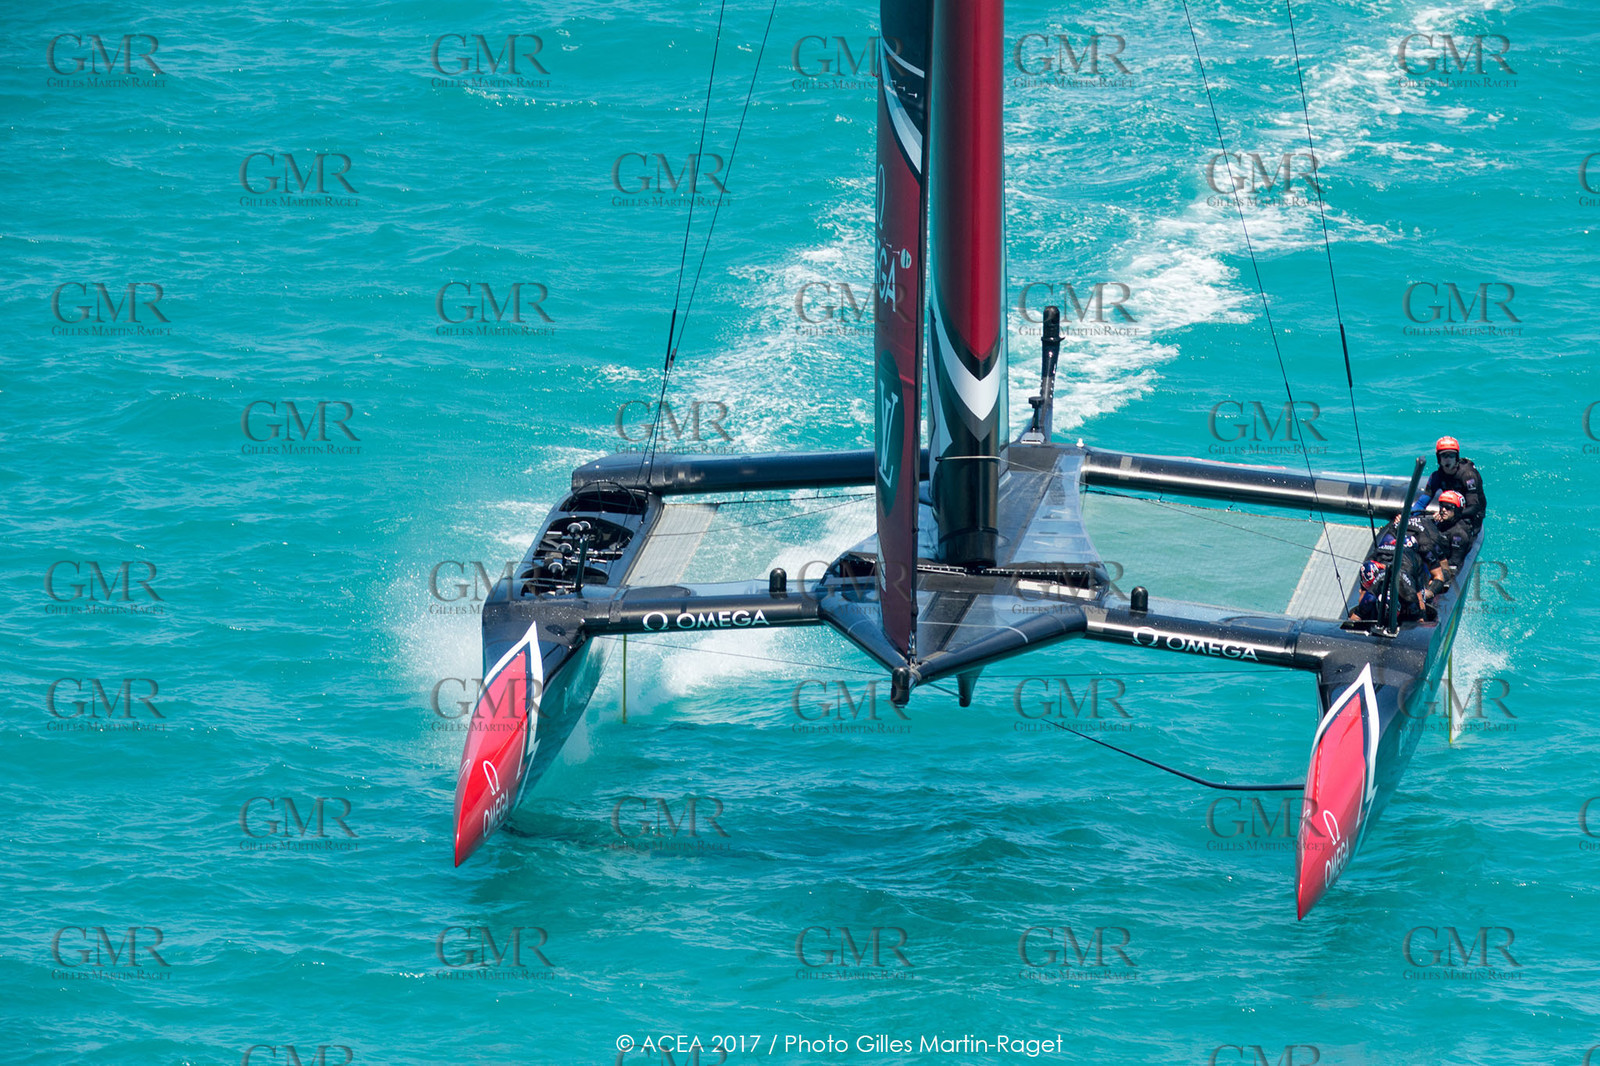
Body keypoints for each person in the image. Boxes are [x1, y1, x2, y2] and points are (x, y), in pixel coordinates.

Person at [1422, 436, 1486, 535]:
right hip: (1450, 511)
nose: (1448, 459)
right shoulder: (1436, 476)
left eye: (1451, 455)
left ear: (1456, 457)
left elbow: (1474, 507)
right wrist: (1406, 516)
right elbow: (1422, 502)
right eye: (1444, 456)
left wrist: (1452, 515)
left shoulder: (1467, 475)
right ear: (1439, 458)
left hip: (1470, 514)